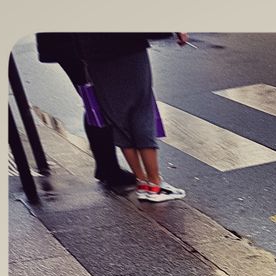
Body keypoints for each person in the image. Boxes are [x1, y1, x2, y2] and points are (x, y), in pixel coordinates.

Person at [75, 33, 190, 203]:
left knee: (117, 117)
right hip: (126, 46)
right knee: (141, 109)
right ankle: (155, 184)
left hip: (92, 52)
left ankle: (142, 183)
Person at [35, 33, 136, 191]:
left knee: (95, 99)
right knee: (98, 98)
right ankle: (109, 169)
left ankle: (107, 167)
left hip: (69, 42)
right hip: (78, 42)